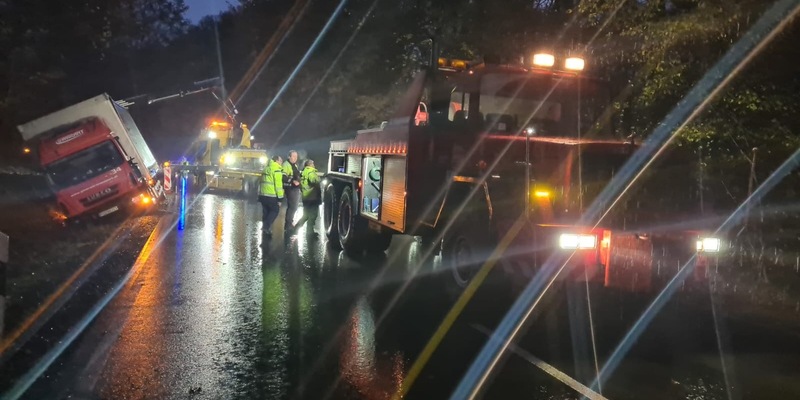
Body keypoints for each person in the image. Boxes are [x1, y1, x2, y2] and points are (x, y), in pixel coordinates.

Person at [293, 159, 322, 237]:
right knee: (313, 215)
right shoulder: (310, 172)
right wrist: (319, 180)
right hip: (312, 197)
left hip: (306, 197)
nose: (314, 165)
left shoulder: (303, 172)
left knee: (306, 215)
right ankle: (309, 232)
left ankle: (296, 228)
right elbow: (314, 181)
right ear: (309, 165)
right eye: (312, 163)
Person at [259, 155, 284, 237]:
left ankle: (266, 229)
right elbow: (278, 186)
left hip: (263, 194)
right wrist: (280, 198)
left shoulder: (266, 168)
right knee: (275, 211)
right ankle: (266, 227)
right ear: (276, 161)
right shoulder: (276, 170)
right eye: (280, 160)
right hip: (272, 195)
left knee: (265, 212)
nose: (281, 162)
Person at [282, 150, 302, 232]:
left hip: (295, 188)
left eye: (296, 156)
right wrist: (292, 181)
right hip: (290, 188)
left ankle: (289, 223)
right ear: (289, 157)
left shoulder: (294, 165)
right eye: (293, 156)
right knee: (292, 206)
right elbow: (283, 177)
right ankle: (288, 225)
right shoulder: (286, 165)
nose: (295, 158)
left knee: (294, 207)